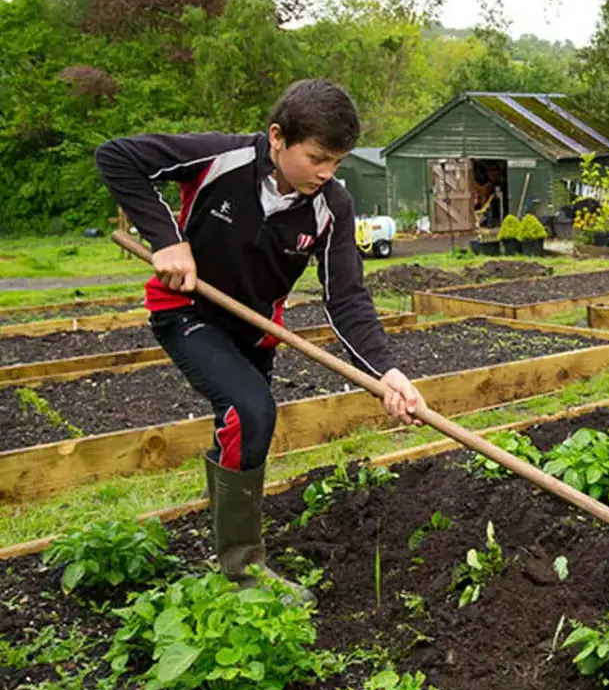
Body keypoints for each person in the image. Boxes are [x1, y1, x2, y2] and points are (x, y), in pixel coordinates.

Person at [95, 79, 426, 601]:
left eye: (336, 162)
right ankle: (242, 573)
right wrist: (168, 240)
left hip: (255, 333)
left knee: (242, 427)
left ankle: (228, 550)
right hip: (186, 311)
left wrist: (386, 372)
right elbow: (116, 157)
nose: (327, 172)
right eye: (317, 157)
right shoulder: (219, 158)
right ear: (277, 136)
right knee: (251, 412)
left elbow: (347, 298)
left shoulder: (331, 206)